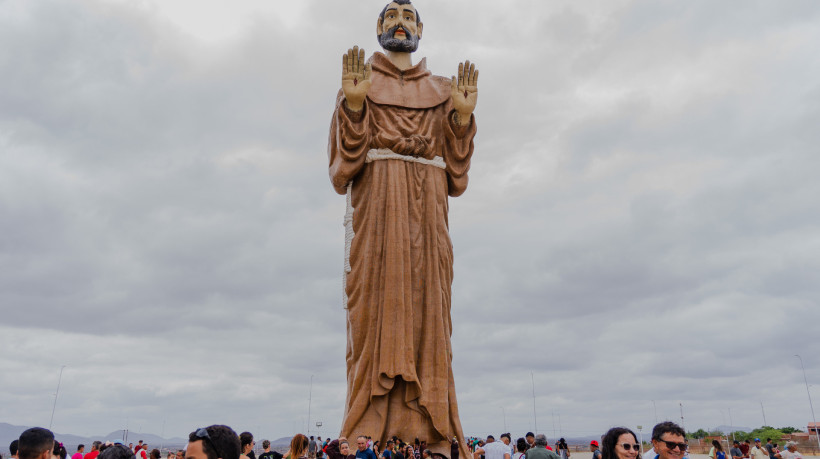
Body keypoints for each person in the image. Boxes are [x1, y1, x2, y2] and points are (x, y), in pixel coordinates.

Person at [329, 0, 478, 455]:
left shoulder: (442, 88)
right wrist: (354, 109)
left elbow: (456, 174)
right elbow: (343, 166)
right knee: (378, 303)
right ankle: (369, 424)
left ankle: (433, 428)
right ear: (379, 27)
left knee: (430, 307)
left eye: (408, 17)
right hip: (380, 203)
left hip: (430, 207)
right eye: (391, 17)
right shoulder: (360, 84)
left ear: (419, 29)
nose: (400, 24)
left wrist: (461, 119)